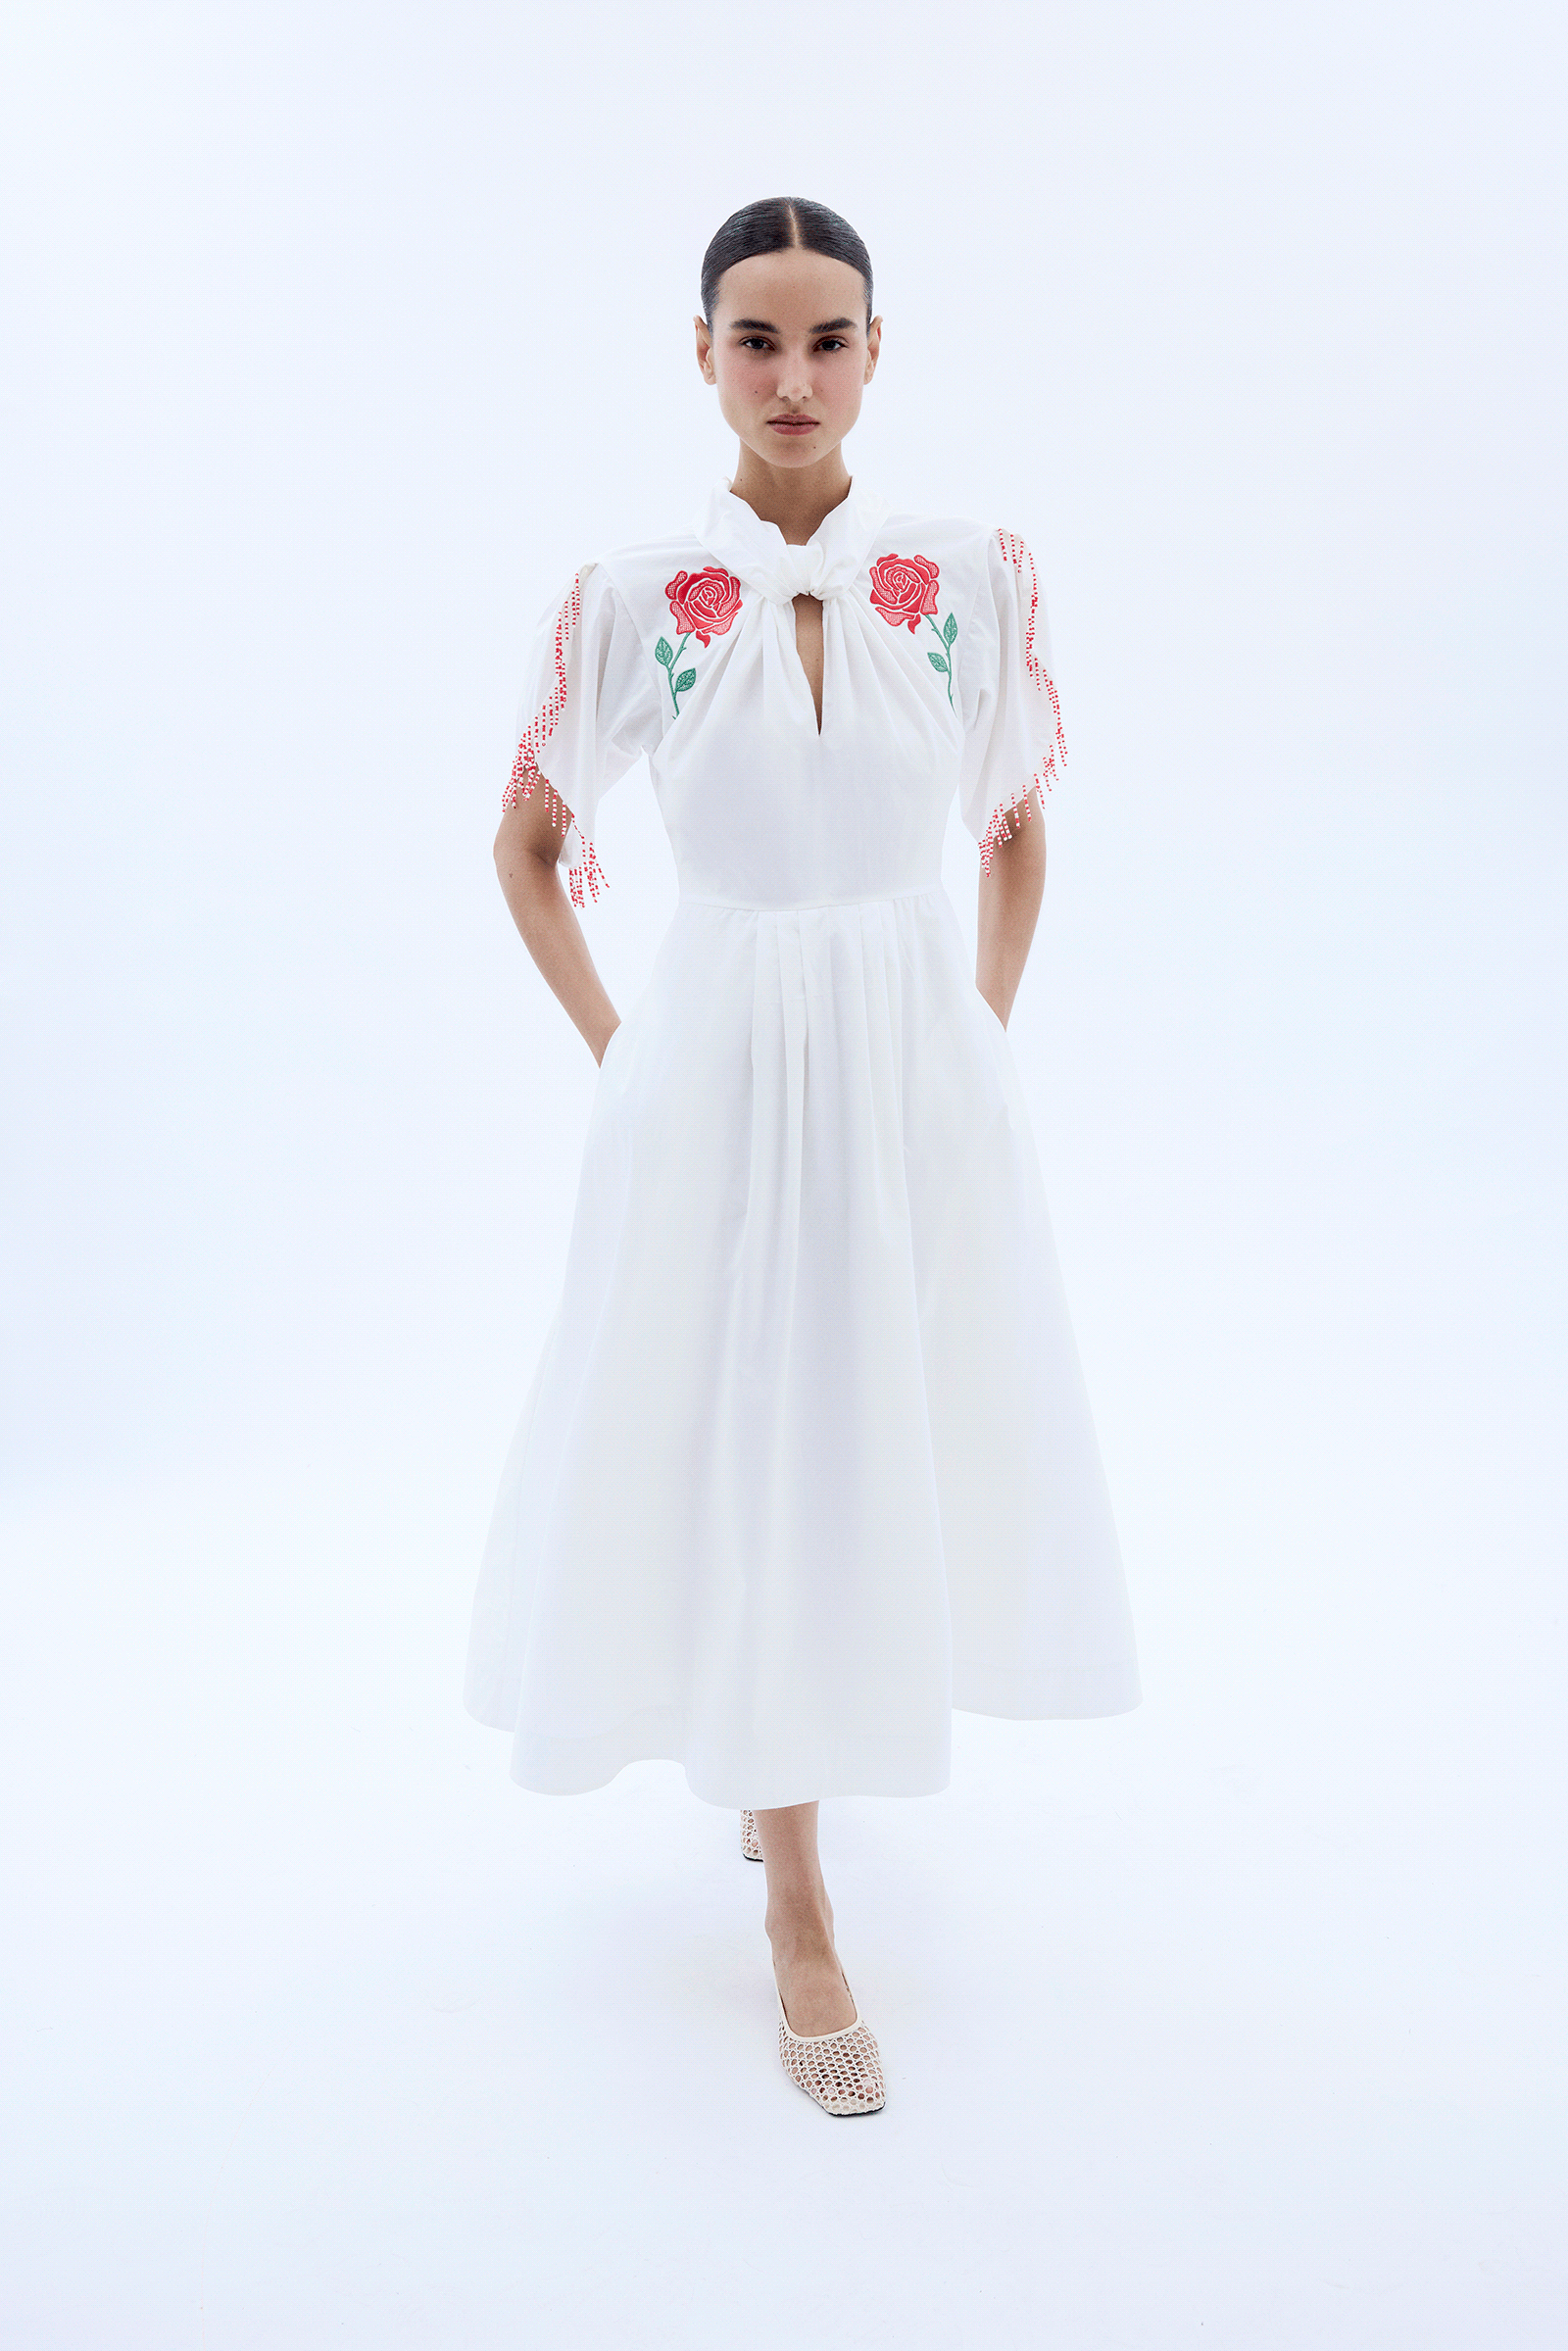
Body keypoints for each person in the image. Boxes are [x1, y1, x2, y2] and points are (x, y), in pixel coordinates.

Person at [466, 196, 1140, 2117]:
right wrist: (628, 1057)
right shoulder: (630, 599)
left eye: (825, 338)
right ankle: (796, 1891)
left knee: (877, 1419)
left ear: (873, 352)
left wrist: (972, 1038)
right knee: (751, 1418)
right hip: (721, 1063)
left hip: (909, 1057)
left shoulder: (965, 574)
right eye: (752, 339)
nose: (790, 376)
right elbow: (527, 845)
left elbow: (1012, 824)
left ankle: (803, 1765)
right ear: (700, 354)